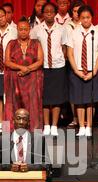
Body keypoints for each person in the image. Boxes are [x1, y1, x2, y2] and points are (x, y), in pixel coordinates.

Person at [67, 5, 98, 137]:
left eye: (88, 17)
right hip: (77, 71)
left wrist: (93, 72)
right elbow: (70, 53)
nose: (86, 20)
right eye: (83, 17)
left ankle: (89, 126)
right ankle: (81, 127)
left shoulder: (97, 32)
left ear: (92, 18)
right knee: (79, 100)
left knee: (90, 100)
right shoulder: (74, 32)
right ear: (79, 18)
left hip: (92, 71)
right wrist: (76, 71)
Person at [31, 2, 67, 137]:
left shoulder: (62, 29)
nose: (49, 14)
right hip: (43, 67)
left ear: (55, 12)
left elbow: (64, 47)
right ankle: (46, 125)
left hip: (58, 67)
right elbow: (32, 48)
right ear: (43, 13)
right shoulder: (36, 30)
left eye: (52, 11)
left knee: (57, 98)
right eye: (46, 12)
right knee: (44, 98)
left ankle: (54, 125)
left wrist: (60, 58)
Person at [4, 17, 44, 131]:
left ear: (29, 30)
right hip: (15, 79)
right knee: (13, 104)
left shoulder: (36, 43)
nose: (23, 32)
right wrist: (22, 68)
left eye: (25, 29)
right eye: (20, 29)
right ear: (17, 29)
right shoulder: (11, 44)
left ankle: (33, 129)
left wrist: (28, 69)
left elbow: (40, 61)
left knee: (32, 104)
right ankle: (10, 130)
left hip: (32, 80)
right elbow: (7, 62)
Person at [64, 0, 84, 130]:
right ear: (71, 12)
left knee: (84, 90)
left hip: (84, 60)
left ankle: (85, 119)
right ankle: (75, 118)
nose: (77, 13)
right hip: (70, 61)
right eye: (75, 11)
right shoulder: (67, 26)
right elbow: (65, 45)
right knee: (73, 91)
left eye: (80, 11)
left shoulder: (86, 24)